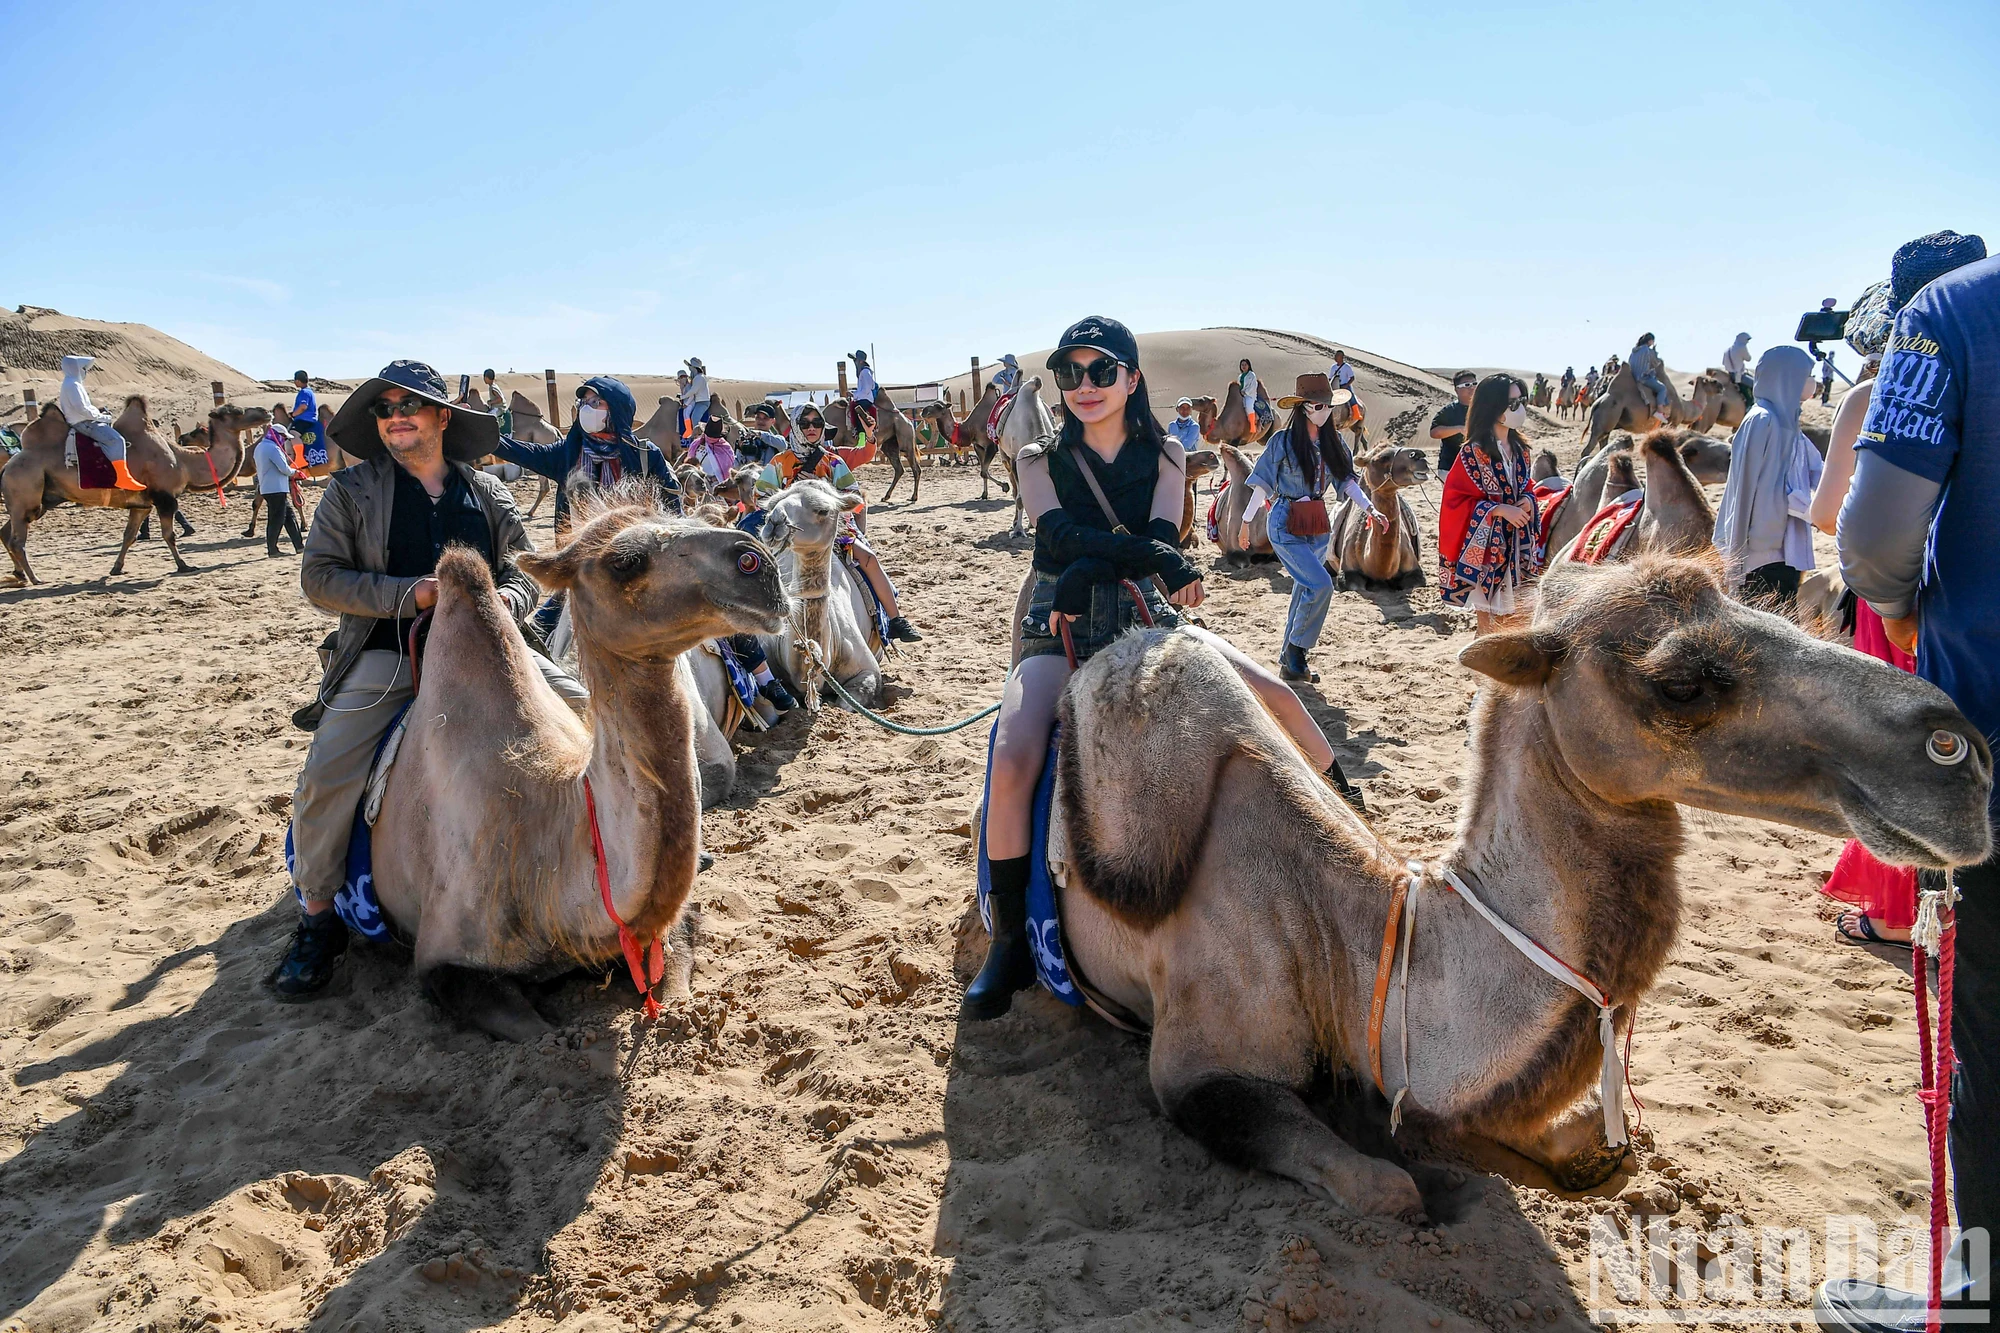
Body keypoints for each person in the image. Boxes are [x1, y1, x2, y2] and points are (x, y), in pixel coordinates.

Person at [966, 316, 1360, 1020]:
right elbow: (1058, 536)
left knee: (1278, 699)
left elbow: (1154, 538)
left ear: (1132, 378)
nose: (1086, 385)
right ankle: (1009, 944)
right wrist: (1115, 560)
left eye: (1102, 370)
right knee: (1015, 752)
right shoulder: (1034, 456)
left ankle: (1356, 828)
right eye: (1071, 373)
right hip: (1059, 625)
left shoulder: (1168, 457)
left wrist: (1128, 556)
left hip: (1148, 616)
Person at [269, 361, 589, 998]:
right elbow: (320, 578)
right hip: (392, 656)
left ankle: (627, 843)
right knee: (329, 770)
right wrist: (407, 595)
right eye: (384, 409)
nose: (394, 417)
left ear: (443, 417)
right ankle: (318, 918)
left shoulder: (489, 494)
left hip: (496, 655)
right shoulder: (351, 492)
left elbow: (525, 570)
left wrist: (506, 605)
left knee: (593, 710)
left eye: (407, 405)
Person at [1819, 230, 1996, 1330]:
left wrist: (1895, 612)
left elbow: (1876, 535)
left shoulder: (1952, 314)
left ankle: (1971, 1307)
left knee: (1986, 1044)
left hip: (1988, 754)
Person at [1240, 373, 1386, 692]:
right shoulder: (1282, 442)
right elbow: (1263, 483)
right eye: (1318, 406)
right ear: (1303, 407)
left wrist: (1371, 509)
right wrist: (1245, 521)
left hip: (1318, 526)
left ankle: (1288, 663)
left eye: (1328, 406)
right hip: (1285, 521)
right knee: (1320, 585)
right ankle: (1297, 652)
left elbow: (1346, 482)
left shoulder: (1334, 444)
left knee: (1303, 587)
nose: (1324, 412)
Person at [761, 406, 922, 643]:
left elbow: (852, 495)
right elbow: (761, 497)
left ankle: (895, 618)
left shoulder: (832, 461)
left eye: (817, 423)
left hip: (827, 528)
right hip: (789, 532)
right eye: (805, 424)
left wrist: (822, 489)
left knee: (867, 559)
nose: (812, 428)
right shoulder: (779, 463)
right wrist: (792, 493)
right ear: (796, 427)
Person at [1711, 346, 1820, 606]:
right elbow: (1748, 490)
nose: (1812, 382)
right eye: (1808, 375)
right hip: (1760, 553)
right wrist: (1736, 559)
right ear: (1788, 377)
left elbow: (1817, 470)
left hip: (1786, 548)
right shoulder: (1762, 420)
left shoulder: (1788, 422)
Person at [491, 375, 677, 528]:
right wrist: (481, 434)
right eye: (584, 402)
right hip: (581, 564)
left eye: (596, 402)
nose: (587, 408)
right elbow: (520, 452)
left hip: (633, 562)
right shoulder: (567, 453)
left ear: (617, 408)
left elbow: (674, 513)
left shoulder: (645, 456)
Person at [1438, 374, 1543, 635]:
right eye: (1512, 402)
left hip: (1518, 547)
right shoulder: (1472, 452)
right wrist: (1497, 510)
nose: (1519, 408)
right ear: (1492, 405)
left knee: (1518, 620)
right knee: (1489, 624)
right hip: (1487, 551)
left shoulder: (1522, 450)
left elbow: (1527, 486)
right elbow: (1455, 499)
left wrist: (1529, 502)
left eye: (1522, 400)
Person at [56, 354, 146, 490]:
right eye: (83, 368)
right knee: (117, 440)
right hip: (84, 422)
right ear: (76, 368)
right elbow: (82, 409)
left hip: (83, 419)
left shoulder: (70, 383)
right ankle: (123, 477)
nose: (85, 371)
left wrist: (98, 414)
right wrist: (102, 418)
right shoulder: (73, 385)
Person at [253, 407, 305, 556]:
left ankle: (299, 545)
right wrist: (297, 473)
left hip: (270, 488)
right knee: (277, 519)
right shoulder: (273, 448)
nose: (284, 440)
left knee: (289, 517)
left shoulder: (261, 447)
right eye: (283, 437)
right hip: (275, 488)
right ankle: (272, 549)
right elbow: (285, 469)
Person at [1429, 370, 1478, 474]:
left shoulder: (1484, 409)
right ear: (1457, 389)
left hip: (1479, 467)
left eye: (1474, 384)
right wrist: (1459, 429)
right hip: (1450, 467)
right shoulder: (1449, 411)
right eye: (1467, 385)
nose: (1472, 387)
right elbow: (1434, 432)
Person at [1628, 333, 1670, 422]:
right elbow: (1656, 363)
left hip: (1633, 377)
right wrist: (1654, 352)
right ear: (1650, 341)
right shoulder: (1647, 350)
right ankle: (1659, 410)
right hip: (1644, 377)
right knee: (1662, 388)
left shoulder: (1633, 352)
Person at [688, 416, 736, 486]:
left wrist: (714, 479)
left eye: (714, 436)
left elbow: (728, 469)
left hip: (715, 483)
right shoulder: (696, 444)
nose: (711, 437)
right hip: (695, 480)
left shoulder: (725, 448)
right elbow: (689, 461)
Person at [1238, 358, 1273, 432]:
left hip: (1250, 395)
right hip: (1241, 395)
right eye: (1242, 365)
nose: (1243, 366)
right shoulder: (1240, 376)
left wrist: (1245, 392)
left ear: (1248, 366)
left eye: (1245, 365)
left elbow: (1253, 386)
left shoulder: (1252, 375)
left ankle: (1253, 425)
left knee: (1249, 407)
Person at [1720, 332, 1754, 408]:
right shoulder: (1742, 347)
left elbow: (1723, 363)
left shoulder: (1727, 351)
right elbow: (1748, 358)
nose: (1747, 341)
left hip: (1730, 374)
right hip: (1739, 375)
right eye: (1747, 339)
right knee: (1755, 385)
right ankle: (1749, 405)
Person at [849, 350, 879, 432]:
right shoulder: (863, 372)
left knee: (859, 415)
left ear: (861, 361)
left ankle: (862, 436)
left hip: (865, 400)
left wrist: (854, 395)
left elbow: (866, 389)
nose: (854, 362)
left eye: (855, 360)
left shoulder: (865, 372)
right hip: (863, 398)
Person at [683, 358, 711, 428]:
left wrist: (682, 397)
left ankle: (699, 436)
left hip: (702, 402)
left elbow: (693, 391)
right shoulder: (699, 377)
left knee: (695, 419)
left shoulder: (699, 378)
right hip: (699, 401)